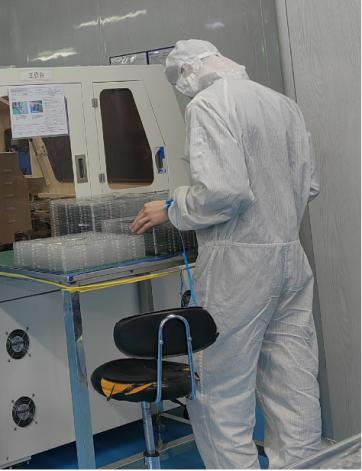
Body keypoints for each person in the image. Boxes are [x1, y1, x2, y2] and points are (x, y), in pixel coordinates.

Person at [131, 39, 321, 469]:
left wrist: (172, 206)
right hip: (290, 256)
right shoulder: (283, 104)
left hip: (238, 266)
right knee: (293, 381)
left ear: (188, 71)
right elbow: (310, 185)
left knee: (219, 388)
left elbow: (224, 193)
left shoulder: (208, 105)